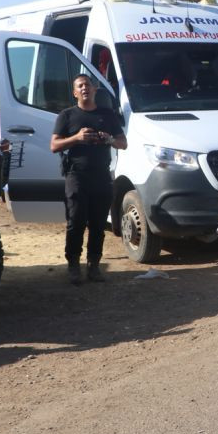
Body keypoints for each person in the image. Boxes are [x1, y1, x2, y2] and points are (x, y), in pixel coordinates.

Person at [51, 73, 127, 284]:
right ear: (75, 93)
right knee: (75, 221)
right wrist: (77, 138)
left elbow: (123, 142)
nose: (84, 88)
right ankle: (73, 265)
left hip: (101, 175)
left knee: (98, 224)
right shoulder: (66, 116)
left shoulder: (107, 114)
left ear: (94, 90)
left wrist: (109, 139)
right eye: (80, 86)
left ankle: (94, 266)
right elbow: (54, 146)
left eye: (87, 85)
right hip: (76, 175)